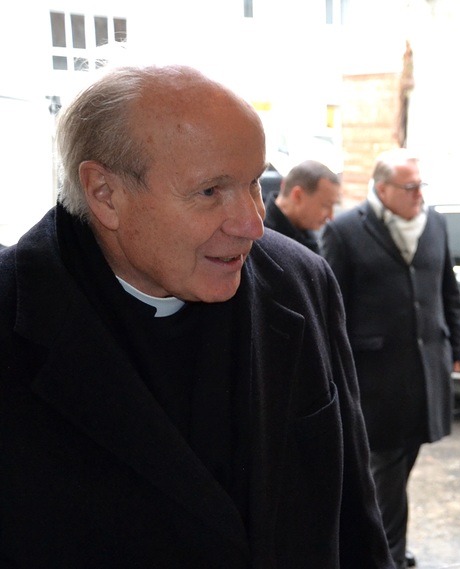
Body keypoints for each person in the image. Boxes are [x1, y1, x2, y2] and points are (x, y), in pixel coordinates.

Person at [0, 64, 393, 568]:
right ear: (105, 194)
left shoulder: (302, 280)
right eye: (210, 192)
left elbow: (353, 517)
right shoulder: (15, 312)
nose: (253, 222)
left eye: (254, 183)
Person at [321, 148, 460, 569]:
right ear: (382, 189)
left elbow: (448, 289)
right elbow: (330, 307)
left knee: (401, 464)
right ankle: (385, 556)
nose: (419, 195)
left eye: (422, 185)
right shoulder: (346, 231)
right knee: (384, 474)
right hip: (375, 380)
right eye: (410, 187)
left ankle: (384, 548)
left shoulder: (435, 223)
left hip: (424, 372)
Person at [264, 159, 341, 254]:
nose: (331, 216)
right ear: (298, 195)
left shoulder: (306, 233)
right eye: (326, 205)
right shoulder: (260, 237)